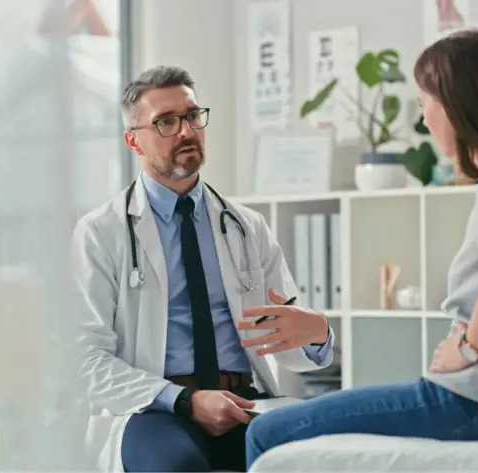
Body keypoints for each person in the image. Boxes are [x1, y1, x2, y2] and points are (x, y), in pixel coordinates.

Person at [243, 29, 478, 468]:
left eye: (424, 104)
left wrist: (468, 349)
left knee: (266, 431)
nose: (424, 120)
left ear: (455, 105)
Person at [71, 65, 334, 473]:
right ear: (132, 141)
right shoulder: (101, 232)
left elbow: (293, 347)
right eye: (165, 122)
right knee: (177, 466)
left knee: (316, 458)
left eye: (192, 116)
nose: (186, 131)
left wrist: (318, 334)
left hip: (247, 399)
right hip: (154, 407)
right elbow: (86, 361)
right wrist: (184, 400)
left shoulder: (247, 227)